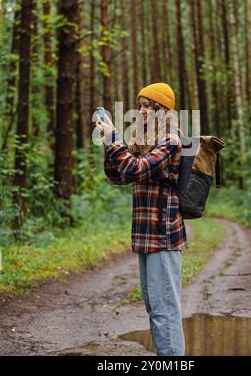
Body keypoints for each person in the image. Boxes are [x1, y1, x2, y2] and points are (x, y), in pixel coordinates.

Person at [95, 82, 188, 356]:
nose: (142, 111)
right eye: (140, 106)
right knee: (154, 307)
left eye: (149, 106)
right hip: (145, 236)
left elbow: (135, 170)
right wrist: (107, 141)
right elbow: (118, 175)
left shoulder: (170, 141)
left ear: (163, 110)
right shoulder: (144, 143)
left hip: (163, 235)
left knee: (165, 309)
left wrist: (114, 139)